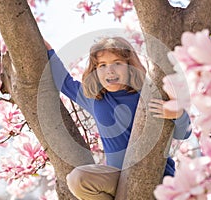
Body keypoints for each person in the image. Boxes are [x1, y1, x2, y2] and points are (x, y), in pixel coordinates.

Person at [45, 37, 191, 200]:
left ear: (130, 67)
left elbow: (184, 133)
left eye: (117, 63)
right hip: (119, 179)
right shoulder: (95, 99)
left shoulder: (147, 94)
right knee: (77, 179)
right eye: (102, 65)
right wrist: (49, 51)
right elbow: (65, 82)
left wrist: (177, 114)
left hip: (159, 177)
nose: (110, 70)